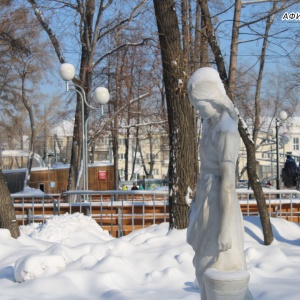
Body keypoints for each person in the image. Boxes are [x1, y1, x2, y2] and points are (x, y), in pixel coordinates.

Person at [186, 67, 251, 299]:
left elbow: (228, 185)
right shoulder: (210, 124)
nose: (199, 111)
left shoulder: (226, 133)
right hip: (206, 198)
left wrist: (225, 230)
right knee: (203, 266)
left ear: (214, 98)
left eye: (201, 105)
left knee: (214, 267)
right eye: (196, 106)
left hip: (219, 205)